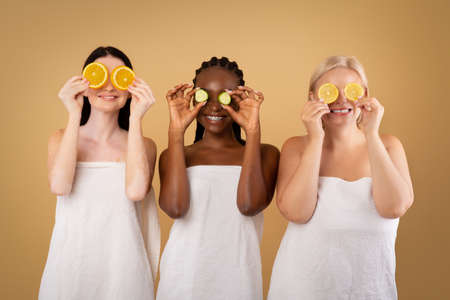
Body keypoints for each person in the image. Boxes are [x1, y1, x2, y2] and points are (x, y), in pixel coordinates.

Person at [268, 55, 414, 299]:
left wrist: (371, 134)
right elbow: (297, 212)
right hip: (301, 289)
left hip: (370, 290)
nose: (341, 99)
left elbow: (394, 207)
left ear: (365, 94)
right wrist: (315, 138)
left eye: (351, 90)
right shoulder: (296, 147)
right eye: (329, 91)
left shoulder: (389, 146)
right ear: (312, 97)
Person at [39, 46, 160, 300]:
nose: (108, 87)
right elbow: (60, 186)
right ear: (84, 83)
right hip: (69, 267)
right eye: (99, 76)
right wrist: (73, 113)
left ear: (131, 85)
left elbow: (136, 191)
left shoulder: (144, 145)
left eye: (118, 77)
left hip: (125, 271)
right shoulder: (60, 138)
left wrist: (137, 117)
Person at [156, 57, 279, 300]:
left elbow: (248, 205)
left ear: (239, 99)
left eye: (225, 96)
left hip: (239, 279)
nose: (214, 107)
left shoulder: (266, 154)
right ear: (193, 99)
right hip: (183, 279)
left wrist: (252, 131)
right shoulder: (173, 155)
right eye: (204, 96)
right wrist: (176, 131)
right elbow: (176, 208)